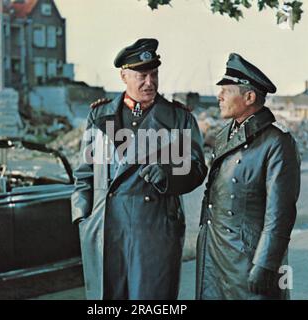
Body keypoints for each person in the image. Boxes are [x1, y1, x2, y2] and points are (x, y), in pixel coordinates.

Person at [71, 38, 207, 300]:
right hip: (106, 227)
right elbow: (85, 172)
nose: (150, 82)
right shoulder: (99, 116)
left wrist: (168, 173)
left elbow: (197, 167)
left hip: (154, 229)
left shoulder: (178, 118)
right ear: (124, 76)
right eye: (142, 75)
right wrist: (82, 215)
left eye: (154, 74)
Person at [196, 53, 301, 300]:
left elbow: (280, 213)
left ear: (249, 97)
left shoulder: (277, 142)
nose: (219, 96)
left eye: (226, 91)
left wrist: (265, 264)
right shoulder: (224, 135)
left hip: (248, 259)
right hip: (216, 254)